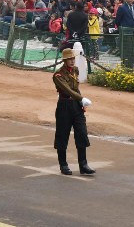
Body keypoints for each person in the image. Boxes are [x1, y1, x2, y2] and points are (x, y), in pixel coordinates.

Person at [53, 48, 95, 176]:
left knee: (81, 133)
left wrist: (81, 103)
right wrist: (82, 99)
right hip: (64, 106)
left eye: (73, 58)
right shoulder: (58, 75)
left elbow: (76, 88)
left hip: (76, 105)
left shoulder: (75, 70)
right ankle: (63, 164)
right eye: (69, 59)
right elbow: (68, 91)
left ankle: (83, 164)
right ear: (64, 61)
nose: (72, 61)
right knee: (62, 135)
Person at [115, 0, 134, 67]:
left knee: (131, 50)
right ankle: (125, 66)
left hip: (132, 32)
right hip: (124, 32)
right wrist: (122, 28)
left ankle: (131, 66)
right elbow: (117, 21)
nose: (129, 0)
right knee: (125, 51)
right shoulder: (122, 8)